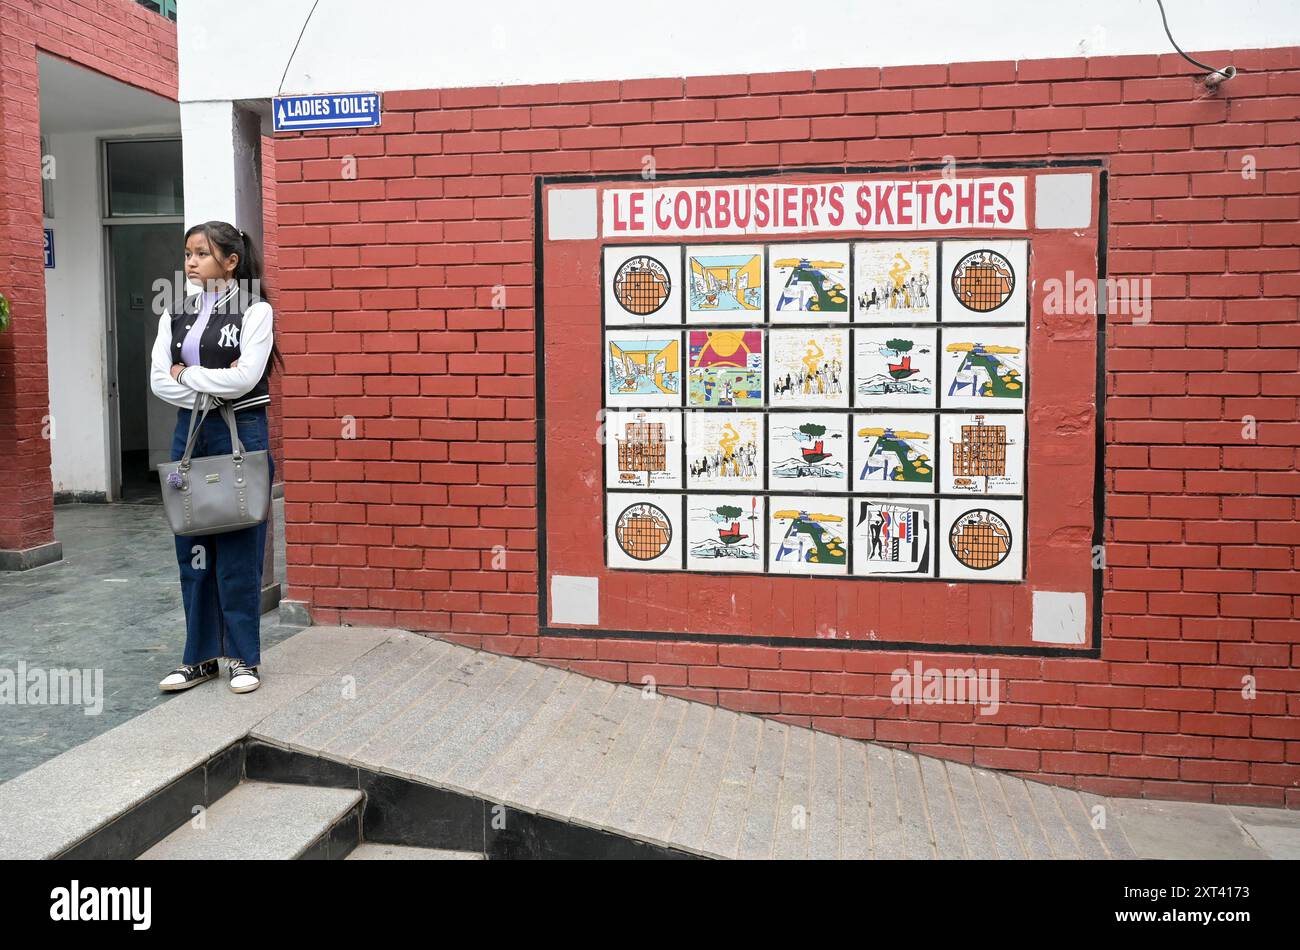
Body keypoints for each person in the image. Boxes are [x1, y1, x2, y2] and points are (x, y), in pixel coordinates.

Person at [149, 221, 282, 694]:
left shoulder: (256, 310)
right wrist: (200, 380)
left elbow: (246, 378)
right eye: (187, 253)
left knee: (240, 551)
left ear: (231, 261)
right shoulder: (174, 313)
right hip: (192, 432)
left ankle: (244, 659)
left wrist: (189, 376)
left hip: (240, 432)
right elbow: (158, 379)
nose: (190, 262)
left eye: (202, 254)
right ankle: (200, 658)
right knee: (193, 551)